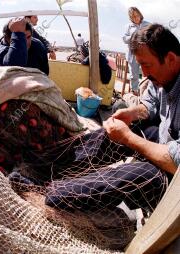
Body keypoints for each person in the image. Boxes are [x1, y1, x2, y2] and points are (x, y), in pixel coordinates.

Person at [46, 24, 180, 212]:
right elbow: (151, 103)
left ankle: (52, 194)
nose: (145, 73)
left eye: (147, 65)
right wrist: (132, 114)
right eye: (140, 65)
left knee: (143, 174)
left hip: (176, 184)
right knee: (128, 125)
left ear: (171, 59)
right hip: (167, 144)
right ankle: (52, 166)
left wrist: (127, 138)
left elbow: (177, 162)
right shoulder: (160, 78)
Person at [123, 7, 150, 96]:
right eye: (132, 16)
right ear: (130, 18)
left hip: (145, 54)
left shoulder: (148, 25)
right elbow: (124, 39)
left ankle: (145, 94)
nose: (135, 18)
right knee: (134, 75)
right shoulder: (128, 27)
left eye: (136, 15)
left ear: (140, 14)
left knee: (146, 75)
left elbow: (153, 36)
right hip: (132, 54)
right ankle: (135, 93)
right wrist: (134, 36)